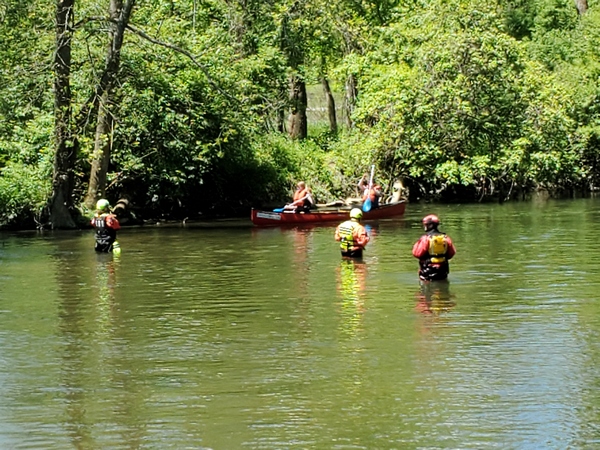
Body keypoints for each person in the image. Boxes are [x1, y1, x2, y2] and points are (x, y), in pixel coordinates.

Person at [412, 214, 456, 281]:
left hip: (427, 271)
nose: (424, 226)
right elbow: (451, 253)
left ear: (430, 225)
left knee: (425, 290)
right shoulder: (446, 238)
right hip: (442, 270)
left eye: (425, 225)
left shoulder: (425, 239)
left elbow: (417, 254)